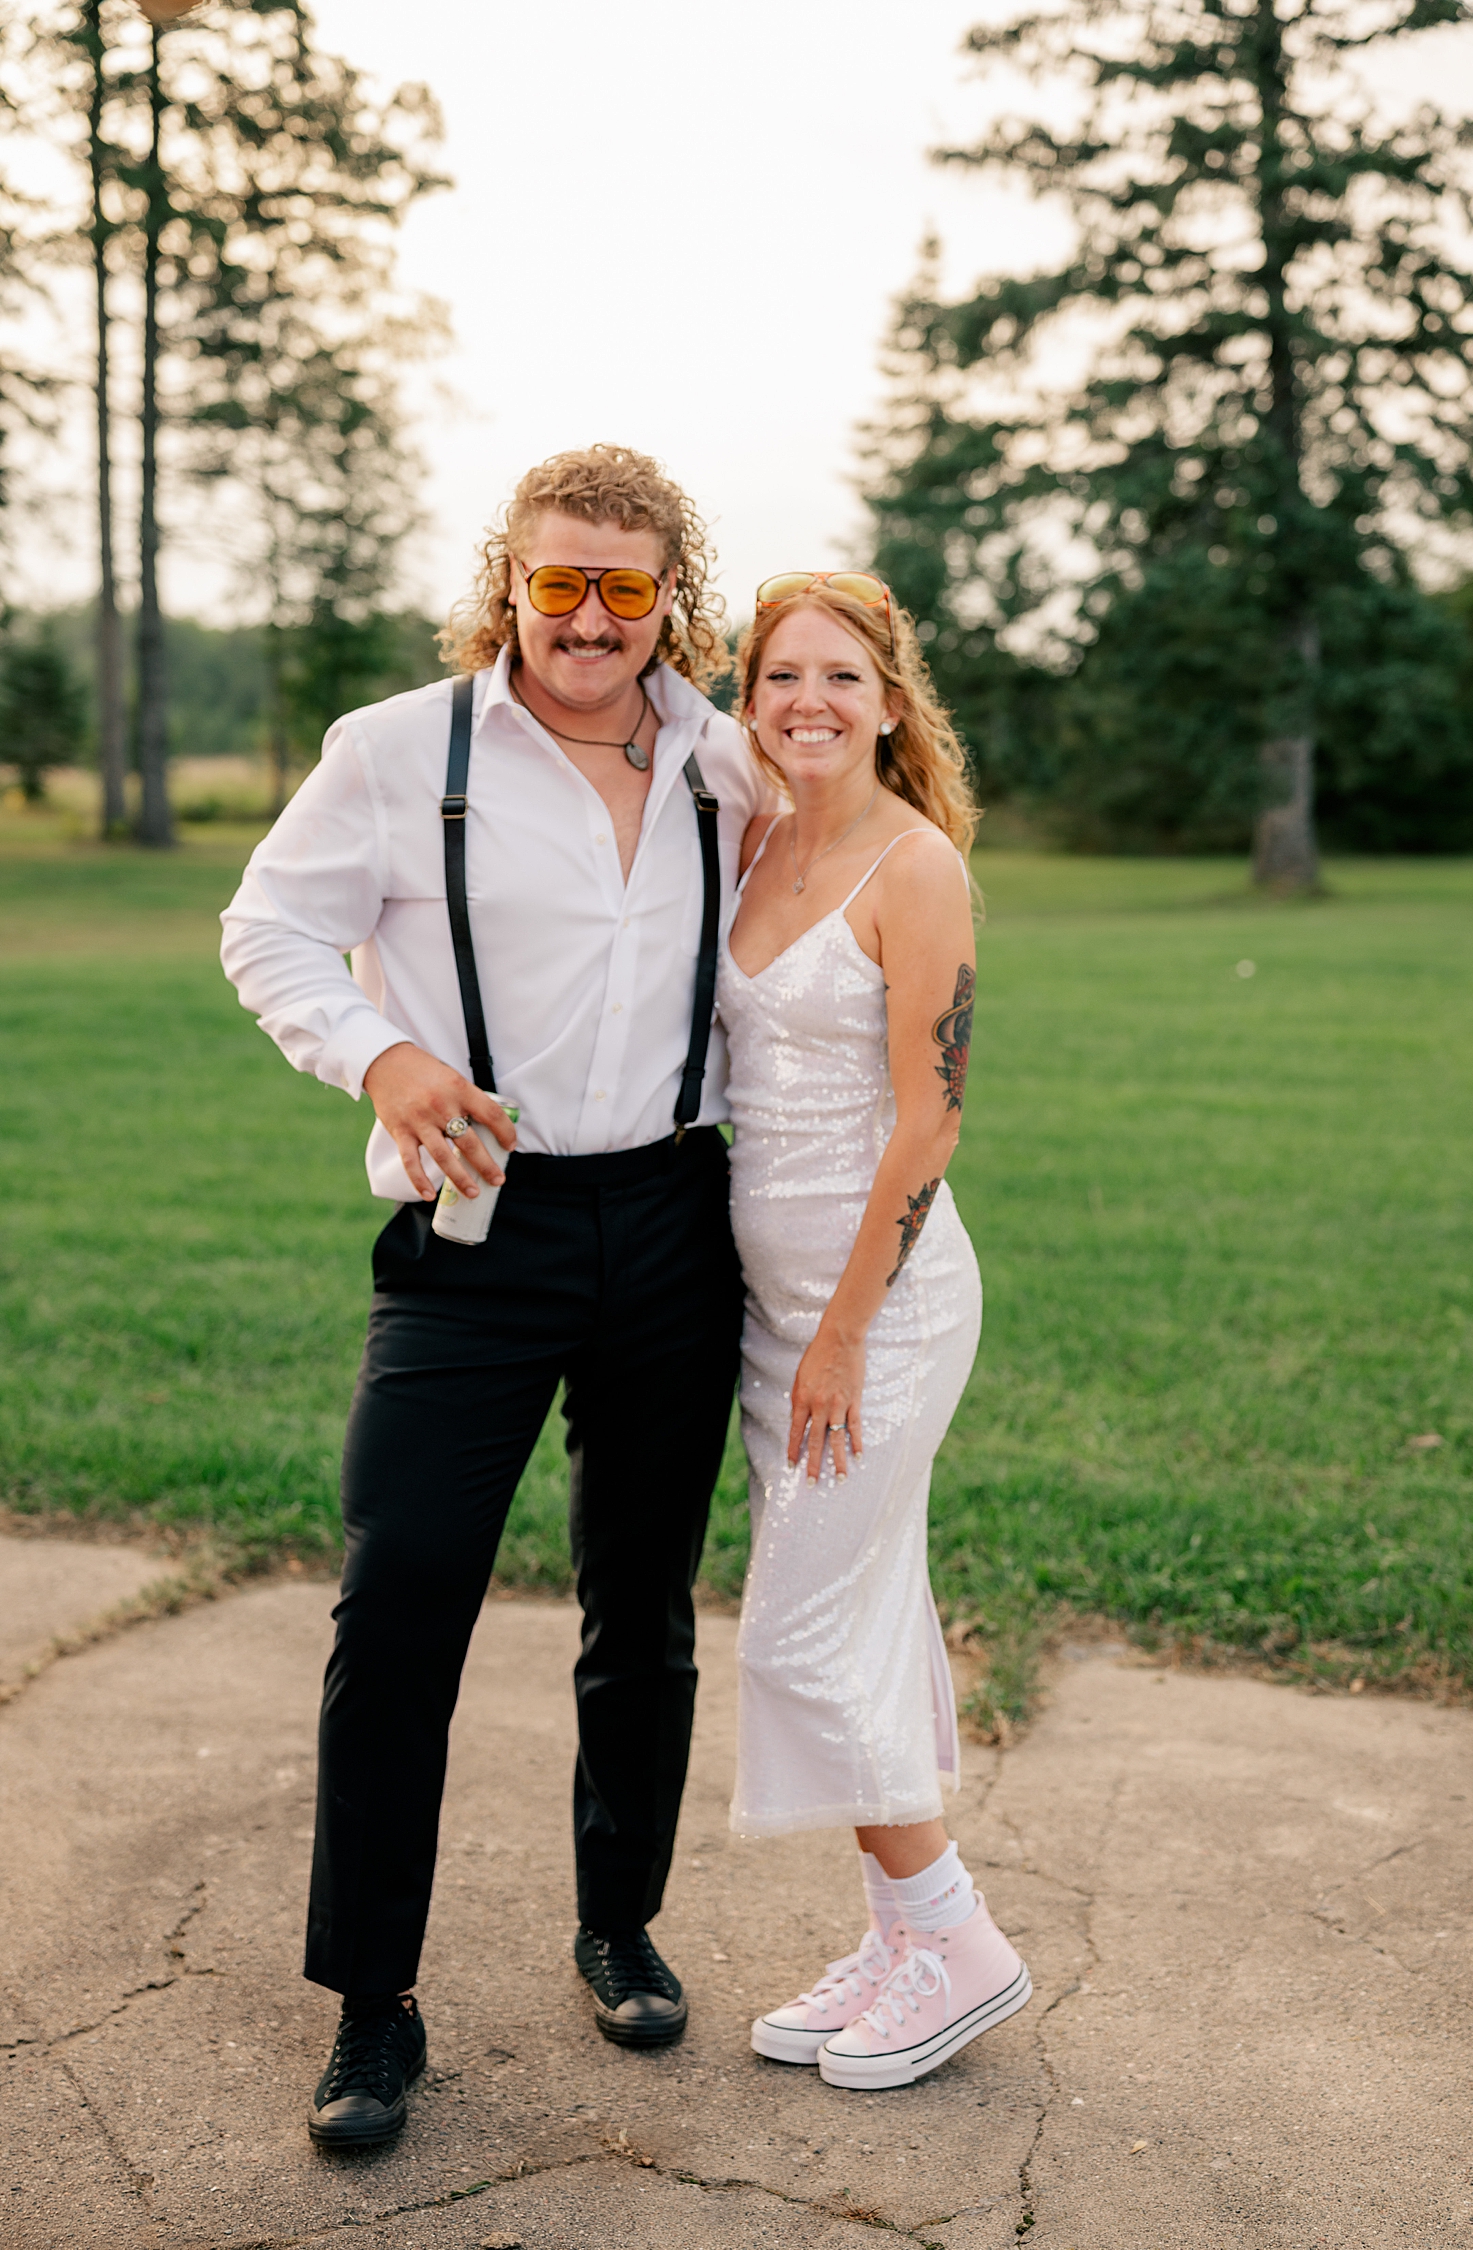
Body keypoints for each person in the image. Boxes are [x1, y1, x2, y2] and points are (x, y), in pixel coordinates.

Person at [220, 445, 772, 2147]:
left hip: (678, 1217)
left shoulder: (727, 760)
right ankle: (372, 2005)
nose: (590, 619)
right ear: (510, 583)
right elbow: (267, 932)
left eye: (625, 586)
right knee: (399, 1608)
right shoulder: (398, 753)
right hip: (477, 1229)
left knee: (644, 1605)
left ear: (670, 593)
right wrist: (378, 1052)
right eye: (559, 582)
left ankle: (619, 1922)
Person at [716, 573, 1031, 2090]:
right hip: (772, 1308)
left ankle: (956, 1937)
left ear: (891, 701)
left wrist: (843, 1330)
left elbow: (931, 1124)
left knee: (797, 1629)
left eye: (842, 676)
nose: (810, 702)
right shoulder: (759, 835)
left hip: (881, 1311)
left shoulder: (915, 868)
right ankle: (897, 1943)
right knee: (867, 1615)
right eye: (782, 675)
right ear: (752, 694)